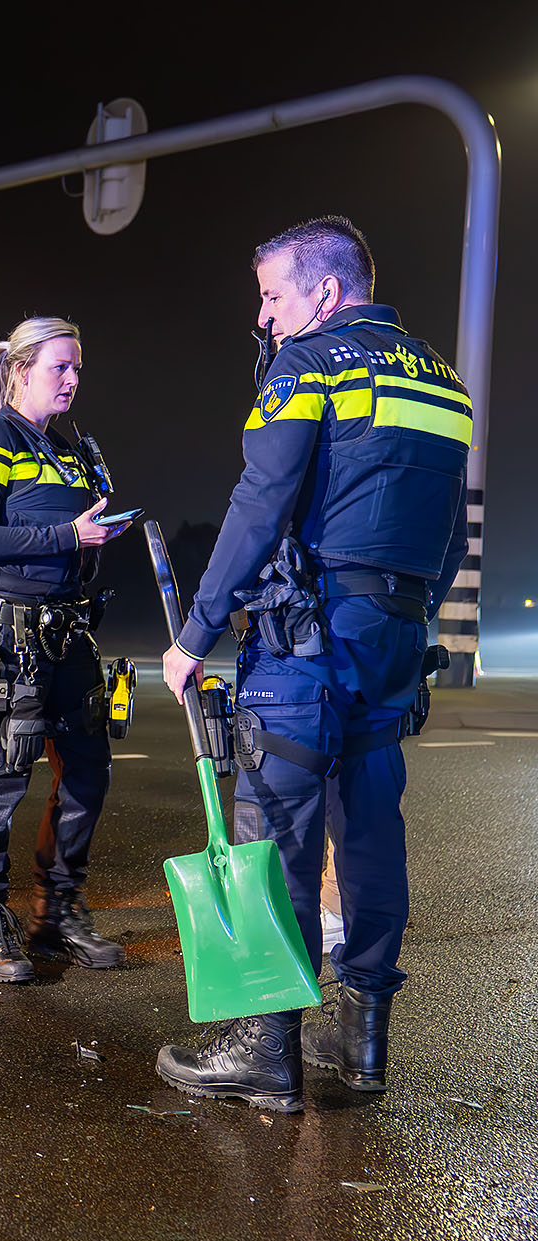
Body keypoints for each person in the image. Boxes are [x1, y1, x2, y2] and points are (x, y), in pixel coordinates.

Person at [154, 216, 471, 1111]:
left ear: (325, 292)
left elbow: (261, 503)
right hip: (395, 636)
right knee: (369, 830)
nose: (264, 316)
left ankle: (266, 1047)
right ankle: (363, 1043)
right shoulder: (444, 382)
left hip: (307, 642)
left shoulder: (307, 367)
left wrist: (195, 634)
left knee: (277, 834)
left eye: (272, 295)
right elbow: (451, 533)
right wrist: (406, 614)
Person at [0, 317, 131, 982]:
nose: (73, 378)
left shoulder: (68, 449)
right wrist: (66, 536)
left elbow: (72, 533)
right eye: (60, 366)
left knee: (88, 772)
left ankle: (57, 913)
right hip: (6, 640)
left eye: (78, 367)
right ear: (22, 371)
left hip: (68, 633)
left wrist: (93, 536)